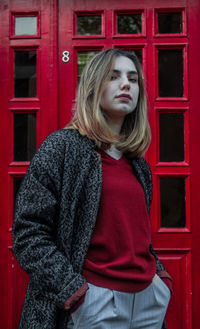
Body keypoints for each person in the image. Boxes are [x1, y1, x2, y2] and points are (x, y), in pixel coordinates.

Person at [12, 48, 172, 329]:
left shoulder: (138, 164)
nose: (126, 84)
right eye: (114, 76)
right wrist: (74, 292)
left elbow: (136, 237)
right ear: (93, 86)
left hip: (148, 302)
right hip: (94, 303)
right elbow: (29, 233)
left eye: (133, 79)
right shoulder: (62, 148)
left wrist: (161, 280)